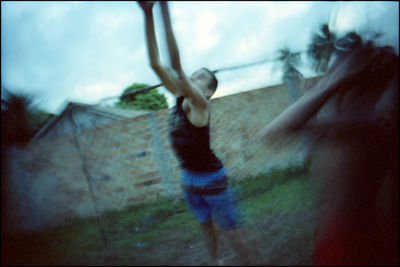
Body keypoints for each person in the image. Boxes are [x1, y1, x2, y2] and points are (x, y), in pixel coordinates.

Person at [257, 34, 398, 265]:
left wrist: (327, 85)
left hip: (350, 237)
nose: (328, 71)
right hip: (343, 228)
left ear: (349, 75)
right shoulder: (353, 122)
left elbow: (273, 132)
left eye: (335, 65)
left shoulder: (359, 125)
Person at [137, 1, 254, 265]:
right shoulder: (179, 98)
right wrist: (147, 13)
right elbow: (156, 64)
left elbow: (175, 66)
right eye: (194, 74)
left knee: (230, 232)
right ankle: (214, 263)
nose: (193, 77)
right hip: (188, 178)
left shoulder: (201, 105)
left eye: (200, 77)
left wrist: (164, 8)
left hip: (212, 179)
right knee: (206, 228)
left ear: (210, 91)